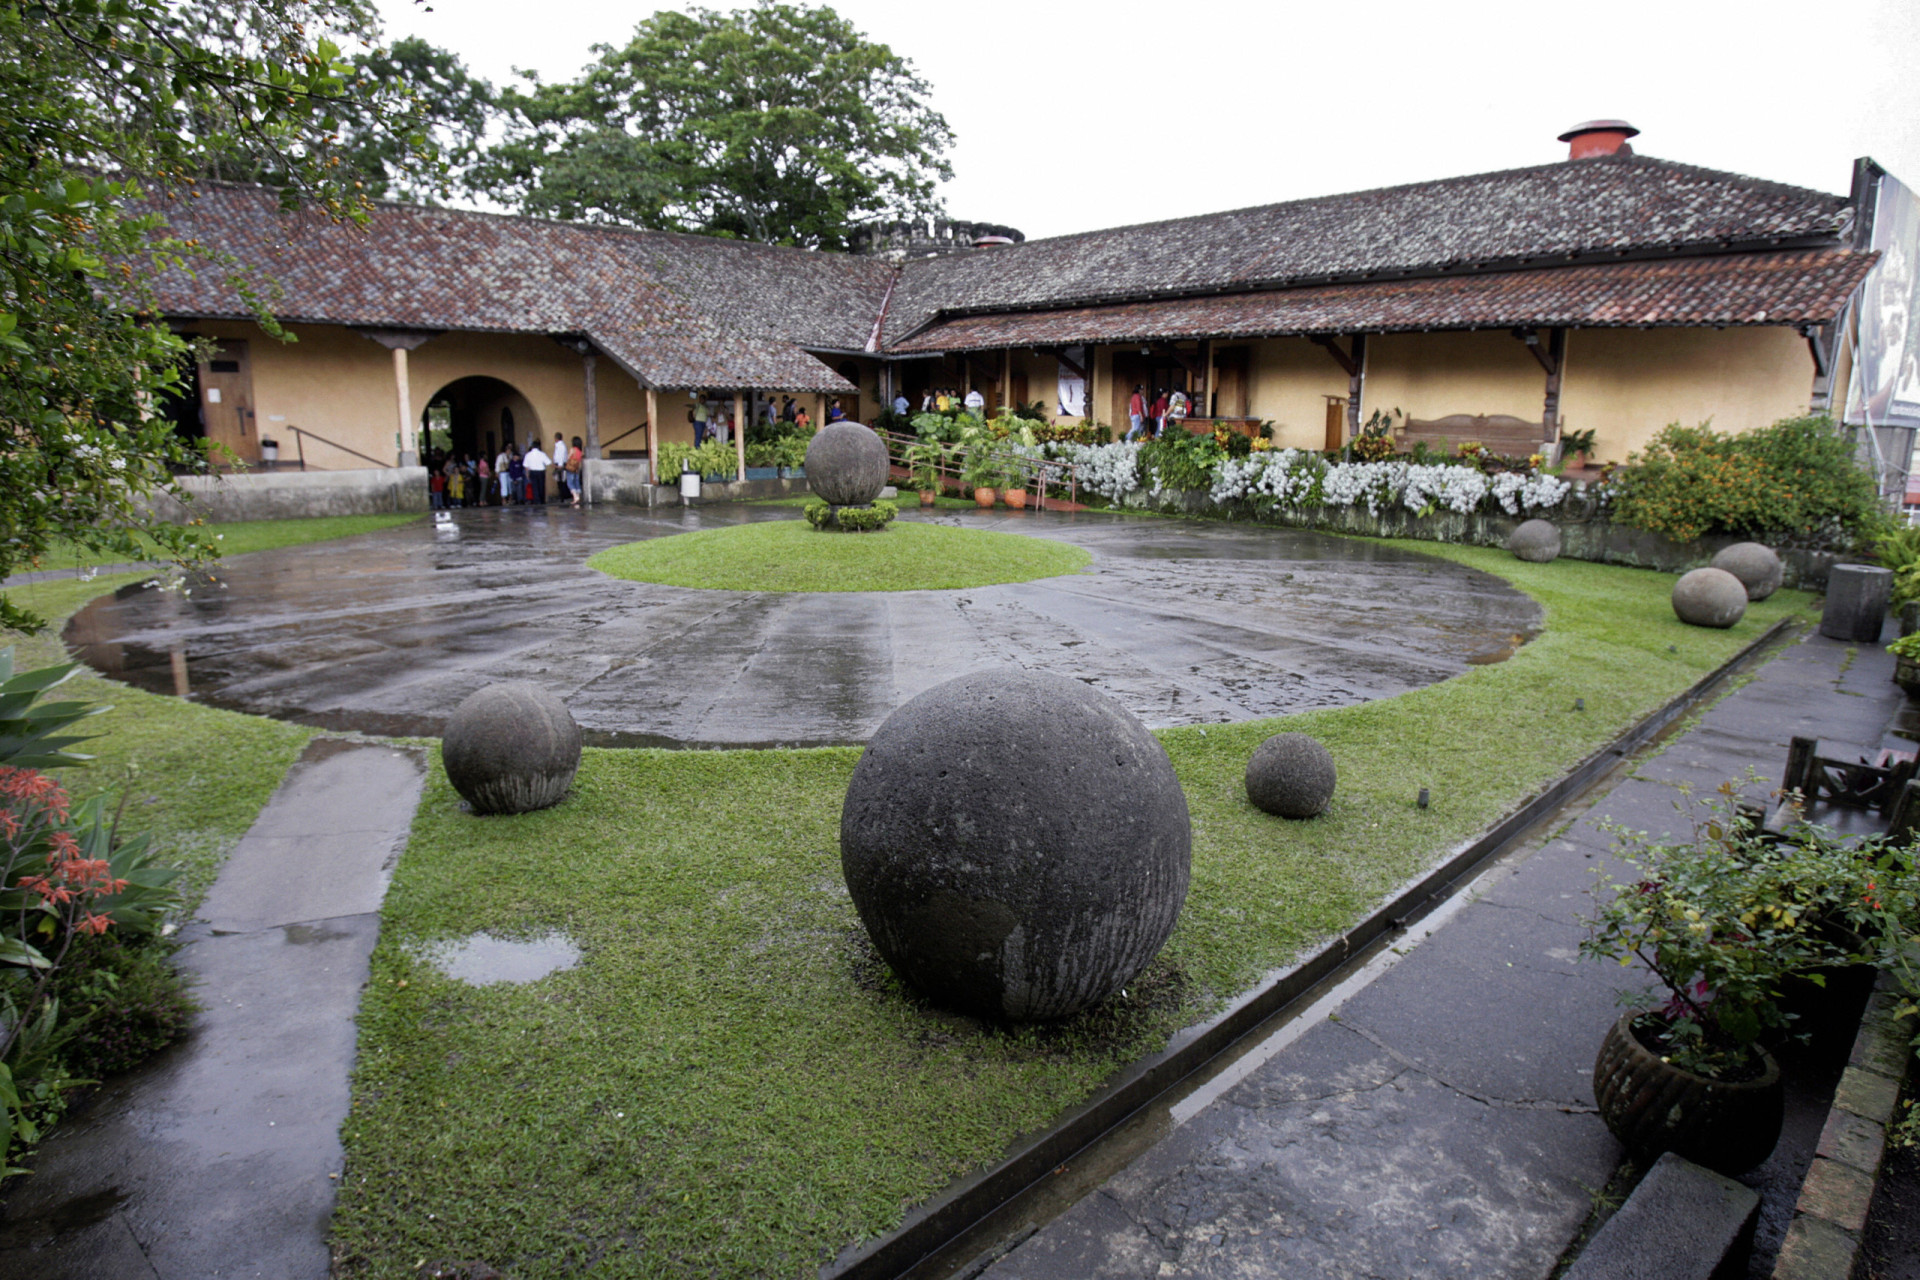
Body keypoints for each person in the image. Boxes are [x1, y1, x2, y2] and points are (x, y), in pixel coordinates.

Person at [524, 437, 550, 504]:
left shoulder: (528, 455)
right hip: (541, 472)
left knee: (534, 487)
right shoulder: (542, 454)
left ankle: (537, 501)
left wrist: (527, 474)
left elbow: (526, 466)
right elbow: (548, 462)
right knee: (541, 486)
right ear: (538, 447)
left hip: (532, 472)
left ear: (532, 447)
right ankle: (542, 500)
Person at [565, 435, 584, 507]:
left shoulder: (572, 449)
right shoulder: (580, 451)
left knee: (570, 483)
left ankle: (575, 496)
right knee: (576, 482)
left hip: (571, 468)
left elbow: (568, 457)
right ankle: (578, 496)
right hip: (576, 468)